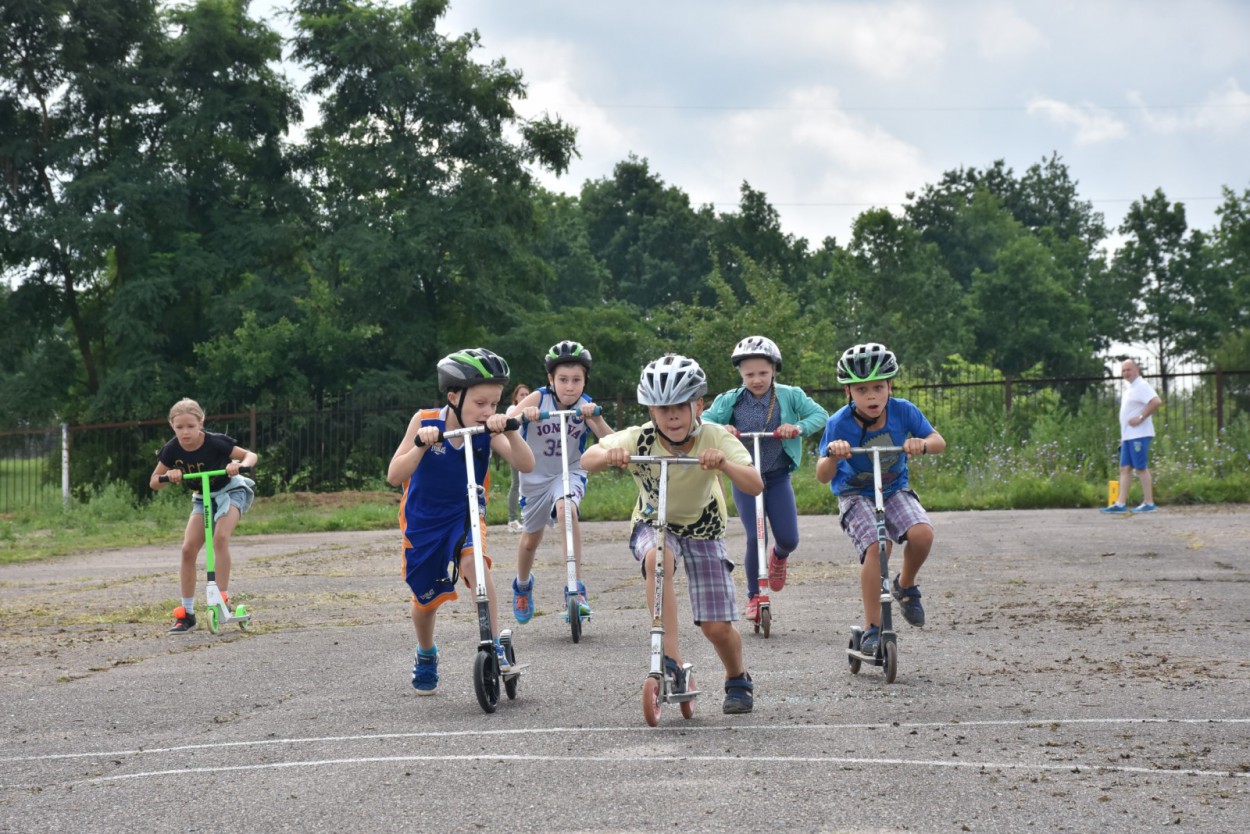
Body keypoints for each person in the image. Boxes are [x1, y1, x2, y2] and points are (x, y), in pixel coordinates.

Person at [582, 354, 763, 714]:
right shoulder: (640, 438)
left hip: (704, 528)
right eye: (663, 409)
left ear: (698, 405)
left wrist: (724, 464)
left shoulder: (713, 435)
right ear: (651, 411)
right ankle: (671, 660)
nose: (673, 416)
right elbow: (588, 458)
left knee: (716, 627)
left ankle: (737, 676)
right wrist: (609, 456)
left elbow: (755, 483)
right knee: (657, 559)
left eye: (681, 406)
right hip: (654, 521)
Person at [387, 348, 535, 696]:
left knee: (474, 564)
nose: (488, 411)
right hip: (423, 523)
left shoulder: (487, 429)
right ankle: (426, 652)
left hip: (466, 513)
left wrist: (510, 431)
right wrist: (421, 445)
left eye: (494, 403)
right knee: (425, 601)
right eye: (480, 403)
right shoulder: (425, 420)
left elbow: (526, 464)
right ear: (454, 397)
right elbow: (394, 475)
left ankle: (493, 643)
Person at [815, 343, 945, 657]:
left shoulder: (904, 411)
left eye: (878, 387)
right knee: (879, 545)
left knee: (922, 534)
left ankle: (905, 585)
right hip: (854, 493)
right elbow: (821, 474)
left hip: (893, 488)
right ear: (848, 392)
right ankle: (873, 626)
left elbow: (938, 441)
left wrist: (921, 443)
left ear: (890, 386)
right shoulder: (838, 423)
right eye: (862, 390)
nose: (871, 396)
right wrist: (833, 455)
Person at [704, 336, 828, 622]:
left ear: (774, 370)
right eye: (749, 374)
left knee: (789, 538)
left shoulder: (789, 395)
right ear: (741, 374)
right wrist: (723, 429)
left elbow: (820, 415)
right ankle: (754, 595)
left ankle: (779, 556)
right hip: (746, 477)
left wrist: (796, 427)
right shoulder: (730, 400)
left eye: (763, 373)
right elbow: (705, 421)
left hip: (777, 476)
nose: (757, 380)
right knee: (755, 536)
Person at [506, 341, 613, 625]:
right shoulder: (538, 398)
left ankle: (575, 587)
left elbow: (611, 441)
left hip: (569, 472)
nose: (570, 387)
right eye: (563, 380)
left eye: (577, 380)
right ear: (551, 380)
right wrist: (523, 416)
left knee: (568, 510)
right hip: (535, 478)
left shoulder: (585, 404)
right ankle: (522, 585)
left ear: (585, 381)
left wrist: (596, 418)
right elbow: (505, 423)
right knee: (531, 540)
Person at [149, 398, 258, 634]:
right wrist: (171, 474)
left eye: (190, 426)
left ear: (201, 422)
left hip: (231, 491)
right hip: (202, 497)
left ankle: (222, 599)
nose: (185, 432)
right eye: (179, 427)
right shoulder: (172, 449)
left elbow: (250, 455)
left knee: (220, 538)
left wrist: (238, 466)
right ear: (172, 425)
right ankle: (187, 614)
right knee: (188, 549)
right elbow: (154, 482)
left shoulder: (215, 442)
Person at [1102, 358, 1162, 514]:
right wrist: (1123, 436)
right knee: (1125, 468)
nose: (1126, 373)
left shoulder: (1142, 386)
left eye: (1128, 369)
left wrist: (1141, 417)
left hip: (1139, 435)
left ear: (1137, 370)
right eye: (1123, 370)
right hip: (1129, 436)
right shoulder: (1129, 389)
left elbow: (1156, 402)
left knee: (1141, 468)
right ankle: (1120, 503)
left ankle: (1149, 502)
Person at [504, 383, 532, 532]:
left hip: (530, 452)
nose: (525, 397)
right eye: (522, 394)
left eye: (527, 395)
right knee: (516, 484)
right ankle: (512, 519)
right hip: (516, 451)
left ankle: (530, 516)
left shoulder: (532, 410)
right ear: (515, 397)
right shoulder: (512, 410)